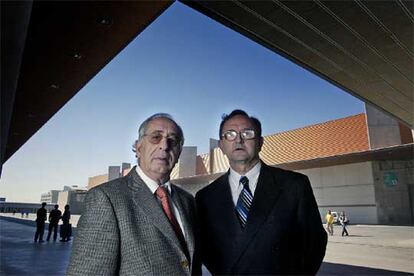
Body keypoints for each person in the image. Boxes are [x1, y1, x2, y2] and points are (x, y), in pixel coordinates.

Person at [196, 109, 327, 275]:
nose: (238, 139)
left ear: (260, 142)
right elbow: (206, 249)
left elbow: (315, 242)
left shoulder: (294, 186)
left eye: (247, 133)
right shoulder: (205, 197)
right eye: (230, 134)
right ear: (221, 146)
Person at [68, 113, 200, 275]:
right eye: (156, 137)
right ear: (138, 148)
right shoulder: (105, 199)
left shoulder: (187, 201)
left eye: (172, 140)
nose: (164, 146)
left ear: (179, 152)